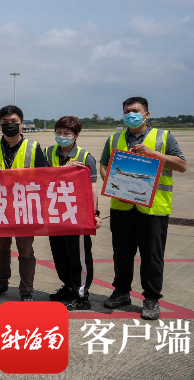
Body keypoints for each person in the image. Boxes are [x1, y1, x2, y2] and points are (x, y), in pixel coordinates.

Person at [100, 97, 187, 320]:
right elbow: (104, 164)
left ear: (146, 114)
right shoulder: (115, 138)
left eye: (135, 111)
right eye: (126, 111)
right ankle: (121, 292)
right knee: (121, 254)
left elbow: (181, 165)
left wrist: (155, 154)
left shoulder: (163, 137)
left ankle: (151, 298)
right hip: (121, 207)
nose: (131, 114)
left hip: (153, 208)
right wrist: (111, 182)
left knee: (152, 257)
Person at [0, 105, 48, 302]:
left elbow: (45, 178)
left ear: (22, 124)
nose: (9, 125)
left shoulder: (33, 147)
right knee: (1, 249)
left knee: (25, 251)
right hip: (0, 208)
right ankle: (1, 283)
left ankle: (26, 290)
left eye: (14, 122)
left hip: (25, 208)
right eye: (5, 122)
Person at [45, 116, 102, 311]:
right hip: (54, 213)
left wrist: (95, 213)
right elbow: (41, 177)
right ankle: (69, 287)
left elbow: (92, 187)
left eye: (66, 133)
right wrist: (64, 169)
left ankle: (81, 295)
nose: (62, 136)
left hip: (77, 214)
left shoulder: (85, 157)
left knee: (79, 256)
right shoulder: (48, 152)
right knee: (60, 254)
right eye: (58, 132)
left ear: (76, 135)